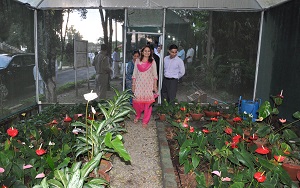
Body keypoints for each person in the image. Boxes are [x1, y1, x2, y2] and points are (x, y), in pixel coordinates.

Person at [132, 45, 158, 127]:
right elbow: (134, 73)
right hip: (139, 85)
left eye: (149, 51)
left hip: (148, 85)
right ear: (142, 52)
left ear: (151, 52)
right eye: (145, 51)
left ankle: (145, 121)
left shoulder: (152, 61)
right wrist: (133, 84)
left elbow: (155, 75)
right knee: (137, 103)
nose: (147, 52)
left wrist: (155, 86)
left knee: (148, 104)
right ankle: (138, 115)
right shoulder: (137, 61)